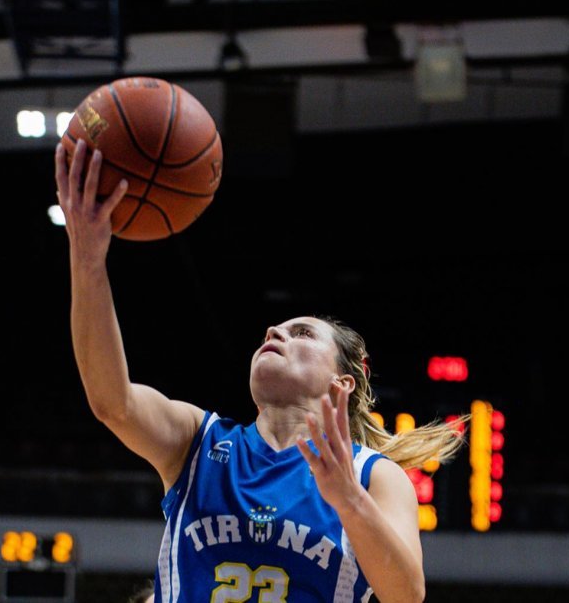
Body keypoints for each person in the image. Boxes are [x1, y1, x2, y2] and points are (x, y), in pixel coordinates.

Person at [54, 139, 466, 603]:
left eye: (303, 333)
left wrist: (348, 500)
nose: (275, 331)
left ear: (342, 382)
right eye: (275, 329)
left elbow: (407, 595)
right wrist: (87, 258)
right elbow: (113, 402)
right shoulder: (199, 442)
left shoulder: (372, 475)